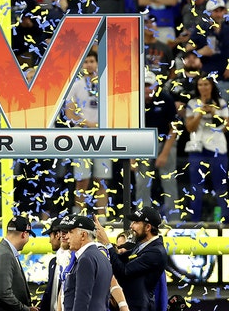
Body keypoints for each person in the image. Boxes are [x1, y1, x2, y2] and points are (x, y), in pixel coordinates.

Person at [63, 51, 110, 219]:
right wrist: (87, 124)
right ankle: (79, 215)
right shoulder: (76, 85)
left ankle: (102, 216)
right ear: (82, 66)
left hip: (103, 137)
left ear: (97, 63)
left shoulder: (106, 84)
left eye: (92, 61)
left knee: (101, 179)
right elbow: (69, 113)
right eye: (86, 62)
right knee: (82, 180)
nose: (89, 65)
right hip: (82, 137)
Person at [95, 207, 168, 311]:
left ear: (148, 227)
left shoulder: (156, 252)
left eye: (136, 222)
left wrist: (106, 243)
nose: (131, 226)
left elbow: (123, 271)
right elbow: (119, 260)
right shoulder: (142, 245)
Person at [133, 70, 178, 221]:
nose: (147, 89)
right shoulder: (134, 101)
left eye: (149, 85)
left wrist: (164, 153)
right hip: (141, 144)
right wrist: (133, 157)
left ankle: (173, 218)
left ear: (155, 86)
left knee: (169, 179)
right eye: (144, 85)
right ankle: (142, 218)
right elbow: (130, 129)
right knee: (141, 182)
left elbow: (175, 127)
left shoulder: (165, 98)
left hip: (165, 141)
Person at [184, 76, 229, 221]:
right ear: (197, 87)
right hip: (197, 148)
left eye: (206, 84)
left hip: (217, 148)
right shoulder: (192, 103)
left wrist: (214, 112)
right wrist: (200, 113)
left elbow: (226, 127)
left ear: (211, 86)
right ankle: (195, 221)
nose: (203, 87)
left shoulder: (221, 103)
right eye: (200, 84)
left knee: (220, 186)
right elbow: (190, 128)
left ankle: (225, 220)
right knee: (196, 187)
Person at [57, 215, 112, 311]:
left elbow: (82, 299)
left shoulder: (85, 259)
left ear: (83, 235)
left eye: (71, 232)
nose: (67, 236)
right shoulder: (102, 258)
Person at [0, 216, 38, 311]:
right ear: (24, 234)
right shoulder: (5, 255)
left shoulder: (4, 251)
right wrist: (25, 309)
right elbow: (3, 293)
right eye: (29, 235)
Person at [39, 218, 63, 311]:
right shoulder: (53, 262)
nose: (49, 241)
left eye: (50, 236)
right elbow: (49, 293)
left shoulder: (76, 261)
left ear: (57, 235)